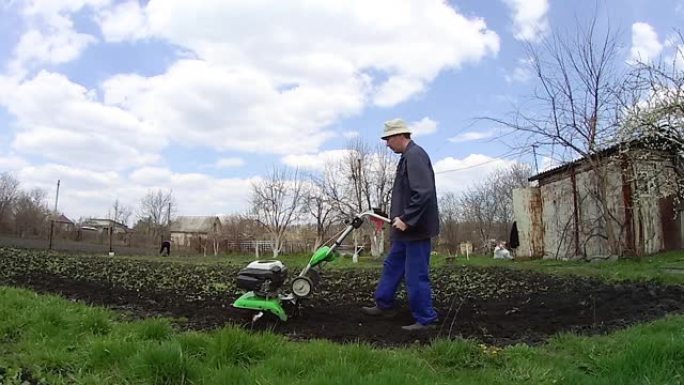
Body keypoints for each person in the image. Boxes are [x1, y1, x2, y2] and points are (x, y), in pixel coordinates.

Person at [361, 118, 440, 331]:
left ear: (399, 136)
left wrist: (406, 219)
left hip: (415, 230)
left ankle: (426, 319)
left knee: (415, 275)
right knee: (392, 268)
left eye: (388, 139)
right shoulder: (406, 158)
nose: (387, 144)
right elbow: (408, 194)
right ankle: (384, 304)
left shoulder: (415, 156)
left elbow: (423, 193)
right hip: (403, 231)